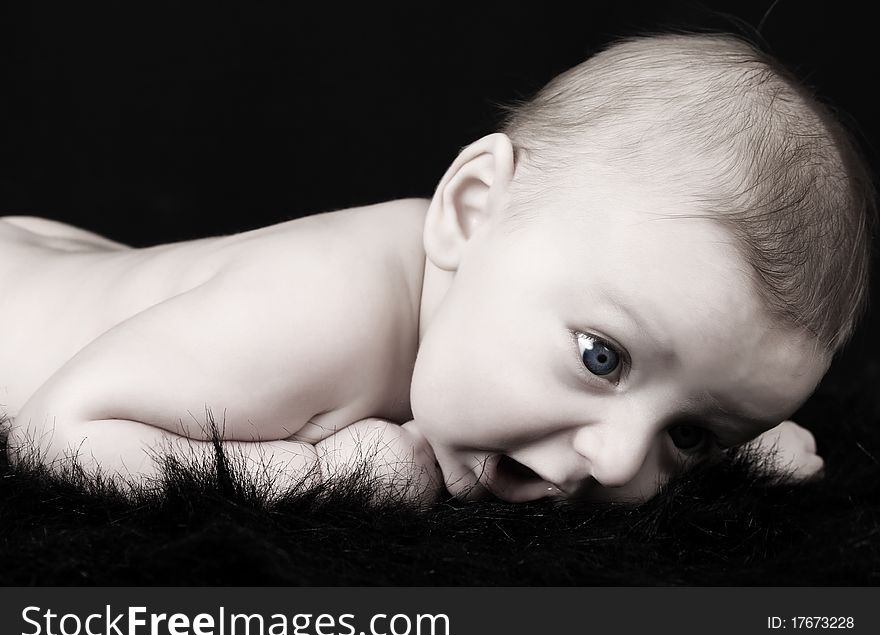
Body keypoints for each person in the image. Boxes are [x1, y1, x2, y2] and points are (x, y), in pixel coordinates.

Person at [1, 32, 873, 506]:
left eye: (689, 434)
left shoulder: (558, 316)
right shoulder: (324, 308)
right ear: (468, 211)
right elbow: (56, 431)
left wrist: (740, 453)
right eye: (602, 357)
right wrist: (317, 477)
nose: (615, 463)